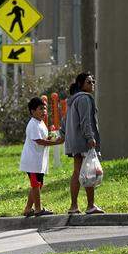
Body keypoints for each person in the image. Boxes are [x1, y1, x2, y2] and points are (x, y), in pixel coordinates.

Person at [62, 72, 104, 214]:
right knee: (89, 173)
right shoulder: (85, 98)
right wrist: (90, 138)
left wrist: (64, 136)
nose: (92, 85)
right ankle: (90, 205)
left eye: (93, 82)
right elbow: (85, 121)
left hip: (74, 142)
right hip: (84, 141)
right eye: (88, 82)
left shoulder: (72, 100)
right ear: (80, 84)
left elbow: (64, 122)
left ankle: (73, 206)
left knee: (77, 172)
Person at [20, 97, 64, 217]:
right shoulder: (33, 124)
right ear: (32, 111)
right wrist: (56, 143)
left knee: (38, 185)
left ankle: (28, 209)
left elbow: (43, 140)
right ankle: (38, 209)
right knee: (35, 185)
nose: (44, 111)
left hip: (38, 161)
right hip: (31, 161)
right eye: (40, 109)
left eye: (45, 108)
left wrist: (51, 139)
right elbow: (39, 141)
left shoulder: (41, 123)